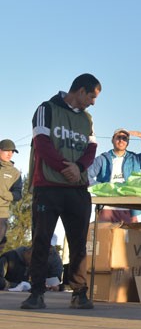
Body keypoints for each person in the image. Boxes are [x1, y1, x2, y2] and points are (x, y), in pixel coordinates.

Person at [22, 73, 101, 311]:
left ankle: (79, 292)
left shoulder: (87, 119)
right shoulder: (46, 109)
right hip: (48, 186)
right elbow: (42, 144)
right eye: (92, 96)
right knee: (41, 240)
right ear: (79, 91)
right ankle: (36, 293)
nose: (93, 102)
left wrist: (78, 168)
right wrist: (63, 168)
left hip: (77, 189)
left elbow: (92, 147)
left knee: (78, 243)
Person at [88, 128, 141, 223]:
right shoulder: (102, 159)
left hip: (130, 208)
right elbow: (86, 175)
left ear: (128, 142)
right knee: (103, 237)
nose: (121, 140)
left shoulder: (136, 159)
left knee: (130, 237)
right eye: (118, 137)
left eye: (125, 138)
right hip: (106, 207)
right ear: (112, 139)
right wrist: (101, 188)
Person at [0, 139, 23, 249]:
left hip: (1, 214)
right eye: (6, 150)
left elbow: (18, 195)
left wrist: (3, 193)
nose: (10, 154)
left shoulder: (15, 173)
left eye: (12, 151)